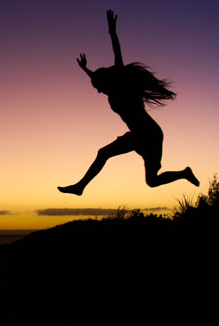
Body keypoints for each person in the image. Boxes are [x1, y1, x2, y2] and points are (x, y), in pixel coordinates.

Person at [58, 10, 200, 196]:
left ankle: (79, 187)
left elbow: (117, 55)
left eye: (98, 87)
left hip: (148, 134)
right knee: (152, 181)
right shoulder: (110, 90)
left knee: (104, 154)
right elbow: (96, 78)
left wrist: (112, 32)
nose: (99, 91)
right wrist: (86, 69)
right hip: (143, 134)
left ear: (107, 83)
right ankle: (184, 173)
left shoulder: (122, 87)